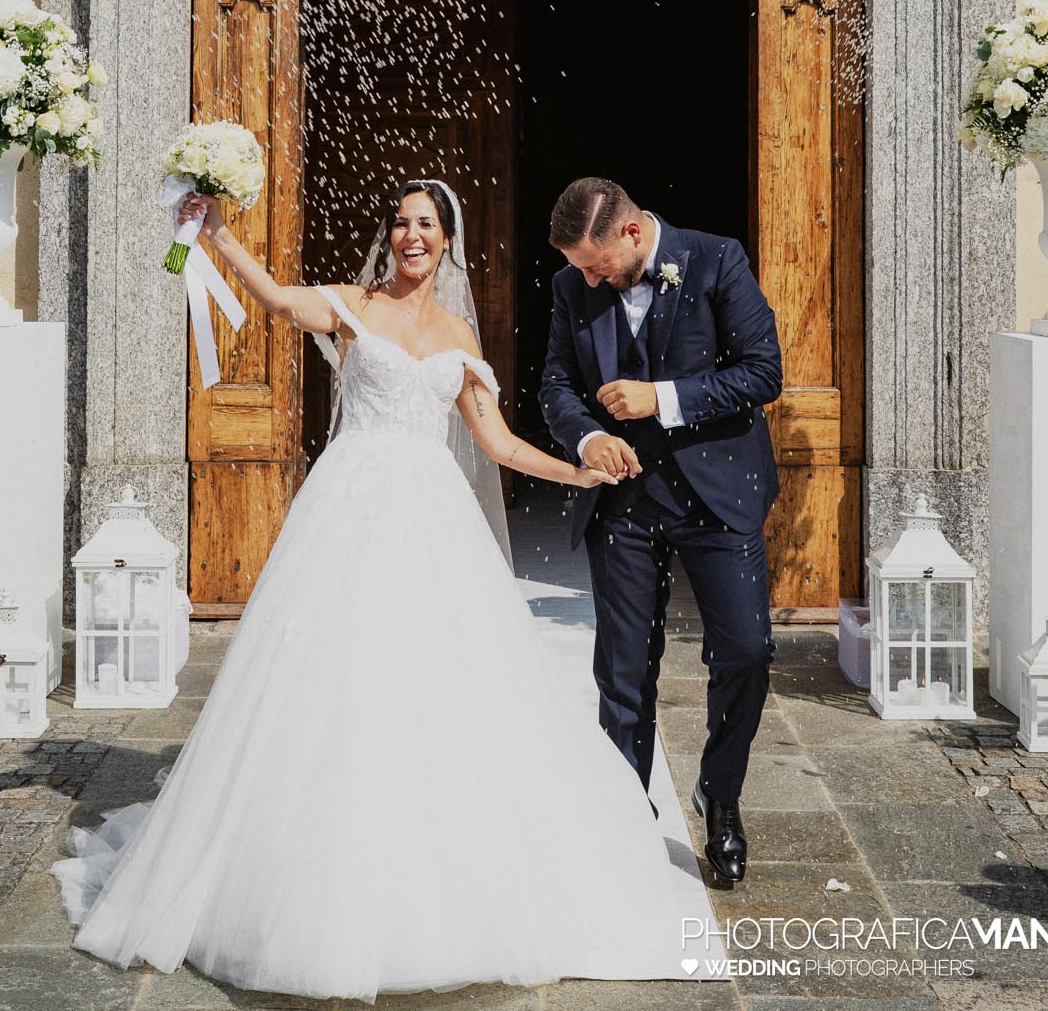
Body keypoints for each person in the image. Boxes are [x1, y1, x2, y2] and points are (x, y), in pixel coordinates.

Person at [49, 178, 714, 1001]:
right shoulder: (347, 304)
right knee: (335, 679)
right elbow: (268, 297)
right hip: (348, 511)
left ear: (446, 241)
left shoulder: (458, 332)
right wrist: (211, 234)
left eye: (425, 225)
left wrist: (577, 468)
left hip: (432, 521)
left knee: (436, 684)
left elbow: (498, 443)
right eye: (399, 222)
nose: (410, 236)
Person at [539, 177, 782, 886]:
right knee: (621, 671)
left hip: (718, 497)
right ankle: (622, 815)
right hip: (623, 504)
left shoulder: (715, 260)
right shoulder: (570, 286)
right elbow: (554, 384)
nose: (585, 279)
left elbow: (762, 372)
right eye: (580, 270)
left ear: (632, 235)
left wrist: (662, 398)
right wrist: (585, 439)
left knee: (745, 651)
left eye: (594, 265)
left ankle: (721, 797)